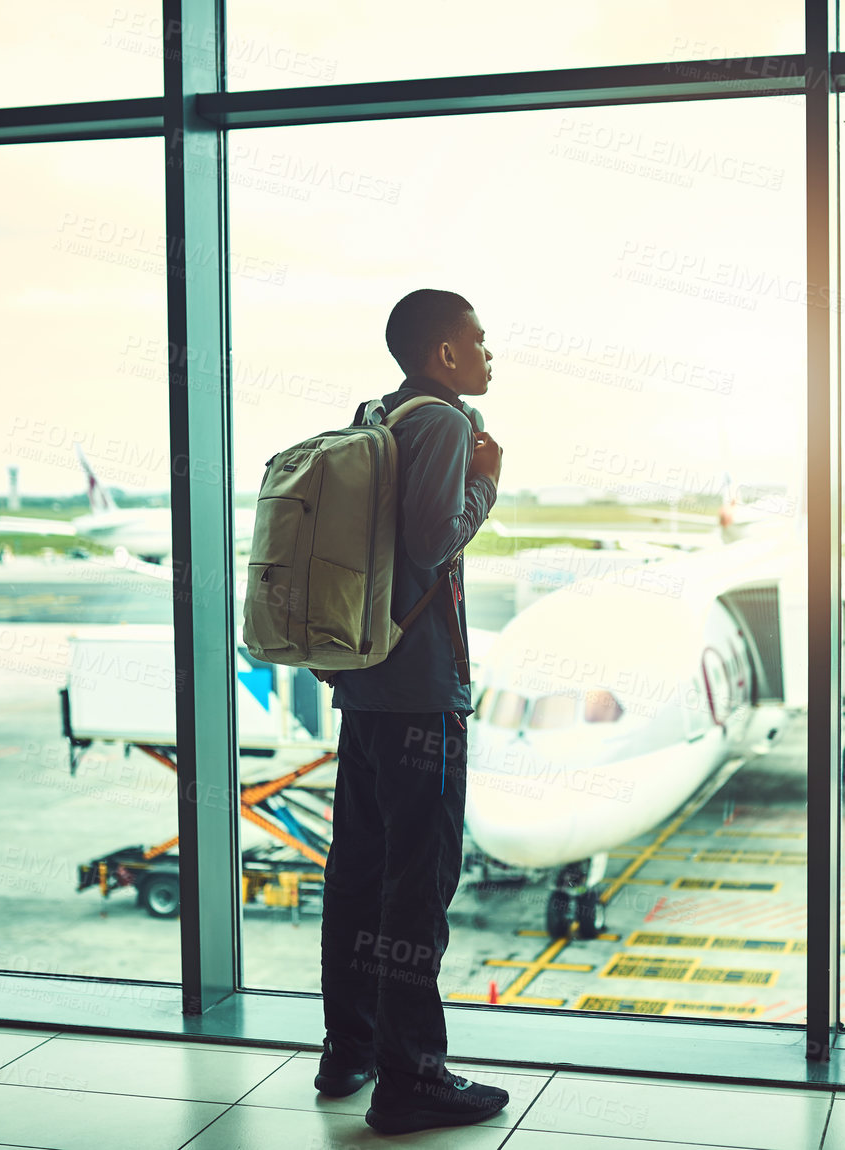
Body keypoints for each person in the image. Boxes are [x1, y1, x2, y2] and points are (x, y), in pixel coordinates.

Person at [314, 289, 508, 1136]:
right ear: (445, 356)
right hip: (420, 694)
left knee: (356, 875)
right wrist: (488, 484)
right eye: (479, 340)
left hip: (364, 684)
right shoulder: (444, 424)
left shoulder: (376, 413)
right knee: (414, 890)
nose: (491, 352)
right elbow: (434, 541)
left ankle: (349, 1051)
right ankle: (412, 1079)